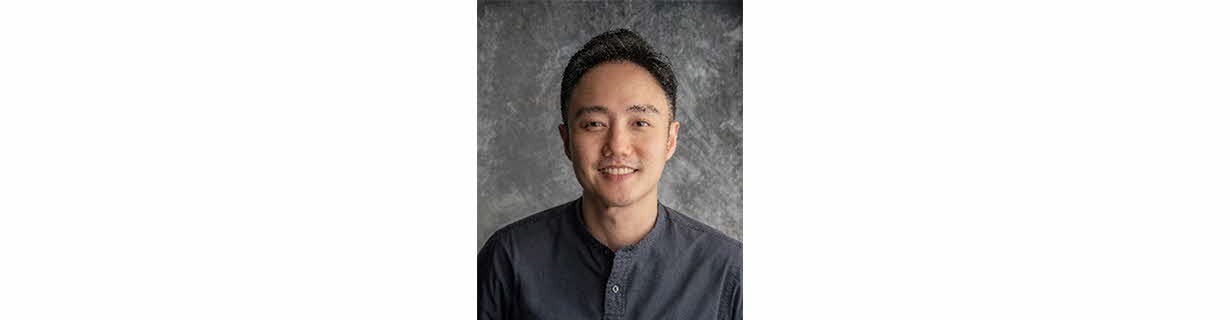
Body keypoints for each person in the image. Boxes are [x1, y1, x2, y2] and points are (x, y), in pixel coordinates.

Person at [478, 28, 742, 320]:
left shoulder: (729, 271)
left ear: (670, 139)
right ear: (566, 141)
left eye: (639, 122)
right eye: (594, 124)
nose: (617, 146)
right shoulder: (508, 258)